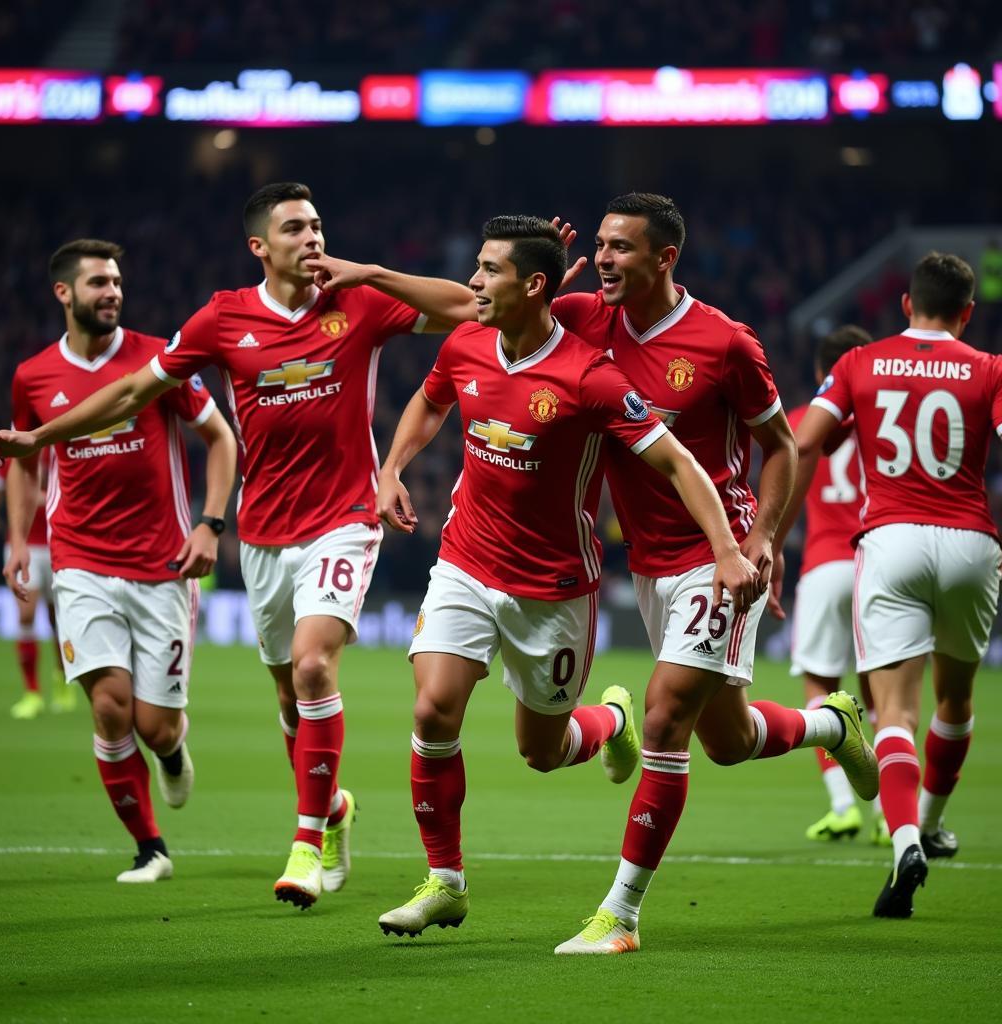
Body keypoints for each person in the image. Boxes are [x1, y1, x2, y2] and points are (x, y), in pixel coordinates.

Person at [309, 193, 878, 954]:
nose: (605, 259)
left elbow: (780, 445)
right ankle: (829, 725)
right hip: (625, 556)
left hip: (716, 553)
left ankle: (622, 915)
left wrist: (757, 540)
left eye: (622, 249)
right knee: (726, 737)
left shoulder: (722, 344)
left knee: (674, 722)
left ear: (664, 259)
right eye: (599, 247)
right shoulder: (579, 315)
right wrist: (426, 280)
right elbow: (470, 314)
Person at [0, 183, 450, 909]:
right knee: (290, 700)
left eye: (319, 224)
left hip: (345, 517)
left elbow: (466, 308)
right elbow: (136, 390)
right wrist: (41, 437)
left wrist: (372, 273)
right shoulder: (224, 317)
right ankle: (331, 810)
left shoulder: (355, 303)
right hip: (264, 536)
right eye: (295, 228)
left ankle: (303, 843)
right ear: (259, 245)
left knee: (314, 664)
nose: (312, 237)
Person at [372, 215, 761, 938]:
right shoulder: (464, 345)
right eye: (478, 267)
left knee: (541, 753)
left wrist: (730, 549)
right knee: (431, 712)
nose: (475, 284)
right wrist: (391, 468)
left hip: (551, 587)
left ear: (535, 285)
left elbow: (678, 461)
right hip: (464, 559)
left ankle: (609, 722)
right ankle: (444, 881)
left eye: (490, 271)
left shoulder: (590, 377)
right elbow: (430, 401)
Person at [0, 238, 237, 882]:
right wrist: (18, 540)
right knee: (108, 707)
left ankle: (173, 750)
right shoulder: (33, 376)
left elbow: (219, 437)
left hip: (162, 566)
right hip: (80, 562)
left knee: (155, 726)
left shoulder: (158, 359)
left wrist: (210, 524)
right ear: (64, 293)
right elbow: (23, 461)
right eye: (99, 282)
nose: (113, 292)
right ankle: (150, 846)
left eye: (118, 281)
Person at [784, 252, 1001, 918]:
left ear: (906, 306)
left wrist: (768, 536)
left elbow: (805, 444)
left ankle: (904, 838)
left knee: (894, 713)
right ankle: (932, 822)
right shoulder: (990, 368)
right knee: (955, 702)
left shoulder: (859, 363)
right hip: (970, 540)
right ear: (967, 312)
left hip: (890, 539)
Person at [770, 325, 889, 845]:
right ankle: (892, 811)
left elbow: (779, 484)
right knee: (882, 694)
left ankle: (843, 805)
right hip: (877, 563)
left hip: (822, 566)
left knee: (819, 686)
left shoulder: (801, 423)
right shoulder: (885, 423)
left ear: (823, 373)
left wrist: (771, 545)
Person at [0, 454, 74, 718]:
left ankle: (62, 680)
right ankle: (31, 692)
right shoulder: (14, 453)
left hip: (59, 542)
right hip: (24, 545)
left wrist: (41, 498)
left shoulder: (57, 445)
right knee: (26, 614)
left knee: (60, 620)